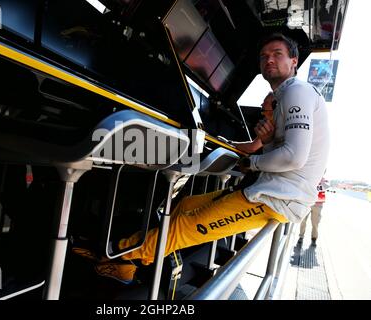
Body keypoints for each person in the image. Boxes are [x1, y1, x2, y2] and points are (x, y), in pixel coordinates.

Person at [73, 33, 330, 284]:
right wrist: (260, 142)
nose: (269, 60)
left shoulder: (296, 91)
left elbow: (294, 157)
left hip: (279, 199)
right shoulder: (286, 95)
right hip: (270, 190)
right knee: (184, 207)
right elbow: (270, 148)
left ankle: (112, 254)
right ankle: (141, 257)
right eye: (264, 56)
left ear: (294, 61)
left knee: (184, 227)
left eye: (277, 54)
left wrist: (251, 162)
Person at [299, 178, 328, 246]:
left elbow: (326, 186)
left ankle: (314, 239)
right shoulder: (311, 176)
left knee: (315, 223)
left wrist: (318, 182)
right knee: (303, 220)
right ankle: (301, 237)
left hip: (318, 205)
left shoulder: (324, 180)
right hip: (307, 203)